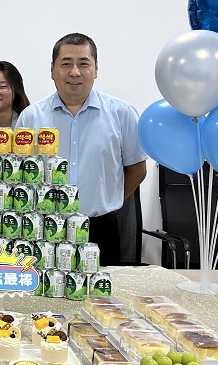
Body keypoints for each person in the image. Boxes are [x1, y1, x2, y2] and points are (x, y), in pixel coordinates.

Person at [16, 33, 147, 265]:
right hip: (46, 230)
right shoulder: (31, 117)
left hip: (101, 229)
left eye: (83, 64)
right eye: (66, 64)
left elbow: (137, 170)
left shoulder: (122, 114)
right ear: (52, 70)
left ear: (96, 69)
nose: (75, 72)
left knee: (102, 289)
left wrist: (109, 202)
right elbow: (20, 174)